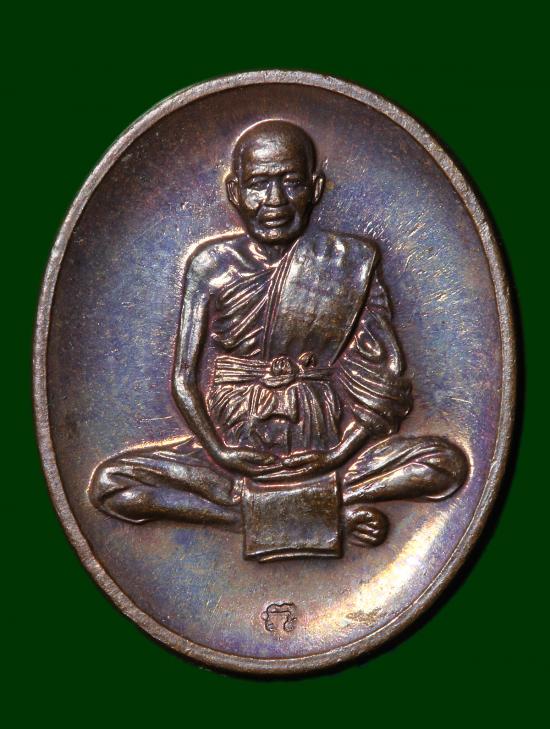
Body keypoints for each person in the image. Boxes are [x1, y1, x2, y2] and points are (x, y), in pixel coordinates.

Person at [89, 120, 467, 551]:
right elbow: (183, 378)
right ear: (234, 192)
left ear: (315, 189)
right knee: (113, 485)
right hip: (235, 449)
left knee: (444, 465)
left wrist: (339, 453)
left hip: (324, 444)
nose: (274, 201)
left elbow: (387, 377)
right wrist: (220, 452)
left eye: (291, 183)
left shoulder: (349, 261)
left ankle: (270, 509)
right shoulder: (211, 264)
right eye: (258, 184)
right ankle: (313, 511)